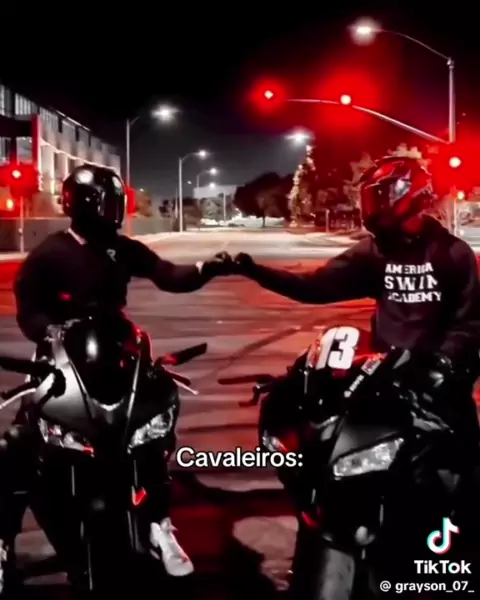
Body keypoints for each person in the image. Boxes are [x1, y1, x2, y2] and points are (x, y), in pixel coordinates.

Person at [0, 164, 231, 591]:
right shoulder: (50, 252)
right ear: (81, 204)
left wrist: (206, 268)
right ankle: (2, 538)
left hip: (117, 355)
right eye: (107, 203)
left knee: (151, 430)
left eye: (117, 202)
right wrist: (49, 332)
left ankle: (159, 524)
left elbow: (168, 275)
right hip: (61, 359)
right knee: (17, 445)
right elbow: (29, 309)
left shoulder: (121, 248)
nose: (115, 211)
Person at [232, 155, 480, 434]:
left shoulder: (453, 254)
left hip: (443, 386)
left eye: (381, 197)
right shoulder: (374, 252)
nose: (374, 207)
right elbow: (313, 287)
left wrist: (443, 363)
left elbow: (470, 323)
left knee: (459, 454)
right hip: (389, 382)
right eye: (371, 198)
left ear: (413, 196)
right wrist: (254, 271)